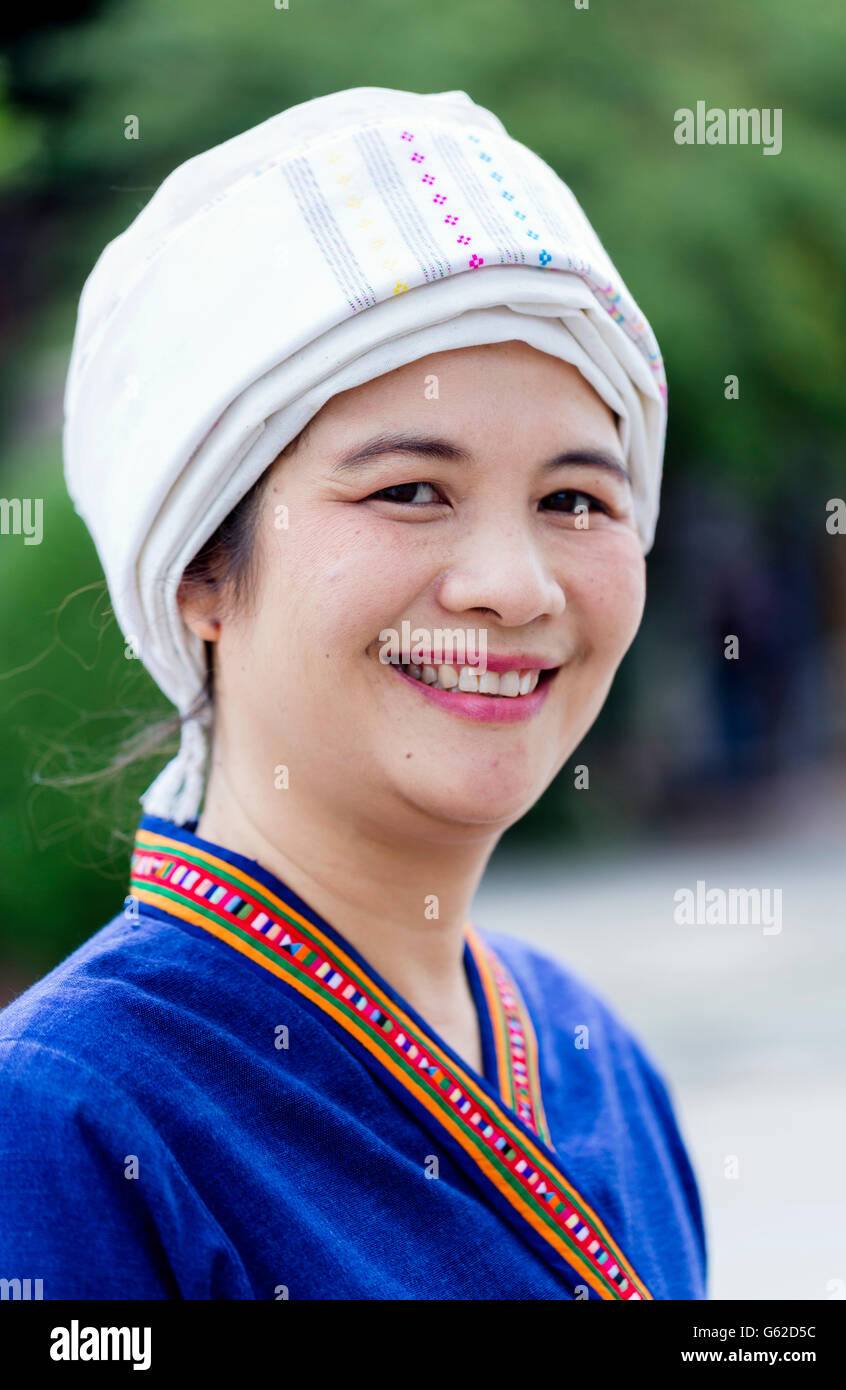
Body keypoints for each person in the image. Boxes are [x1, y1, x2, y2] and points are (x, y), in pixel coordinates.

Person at [0, 87, 705, 1300]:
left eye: (574, 500)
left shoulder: (601, 1062)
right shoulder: (64, 1119)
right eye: (409, 491)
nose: (510, 585)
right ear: (201, 576)